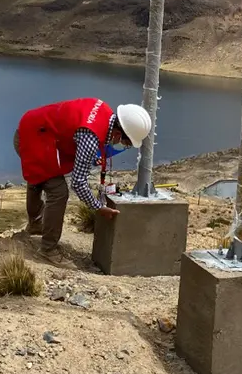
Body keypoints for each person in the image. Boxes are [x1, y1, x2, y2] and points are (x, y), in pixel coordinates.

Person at [13, 98, 152, 267]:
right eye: (125, 142)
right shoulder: (90, 138)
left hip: (33, 128)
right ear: (117, 133)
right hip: (33, 137)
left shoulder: (105, 111)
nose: (122, 145)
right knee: (58, 191)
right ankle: (48, 250)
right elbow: (78, 182)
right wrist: (98, 207)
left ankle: (36, 224)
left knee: (40, 177)